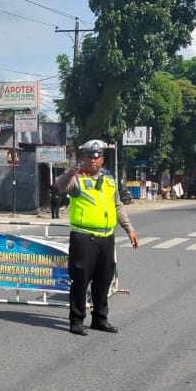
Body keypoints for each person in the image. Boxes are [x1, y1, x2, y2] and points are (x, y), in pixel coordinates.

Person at [55, 138, 139, 336]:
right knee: (81, 280)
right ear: (83, 158)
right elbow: (59, 186)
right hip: (84, 237)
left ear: (102, 159)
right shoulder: (76, 179)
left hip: (106, 238)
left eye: (97, 157)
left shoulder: (109, 180)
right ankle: (76, 321)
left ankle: (100, 319)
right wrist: (70, 172)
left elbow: (118, 205)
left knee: (103, 280)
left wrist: (129, 229)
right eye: (89, 157)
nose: (93, 160)